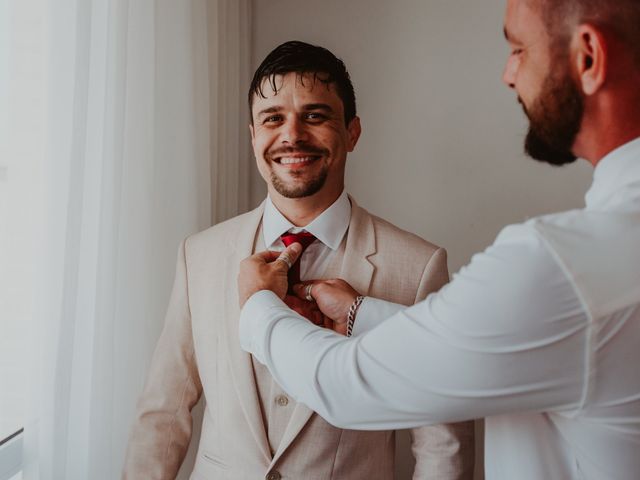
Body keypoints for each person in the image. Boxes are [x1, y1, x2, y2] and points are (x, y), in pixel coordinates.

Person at [237, 1, 640, 479]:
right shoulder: (604, 255)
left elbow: (345, 386)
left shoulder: (558, 265)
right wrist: (358, 315)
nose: (508, 75)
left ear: (588, 56)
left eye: (518, 49)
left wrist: (258, 306)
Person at [123, 41, 474, 479]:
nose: (291, 135)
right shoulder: (200, 254)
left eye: (315, 115)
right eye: (273, 118)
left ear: (352, 132)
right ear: (254, 136)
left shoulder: (419, 267)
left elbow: (443, 441)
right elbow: (163, 412)